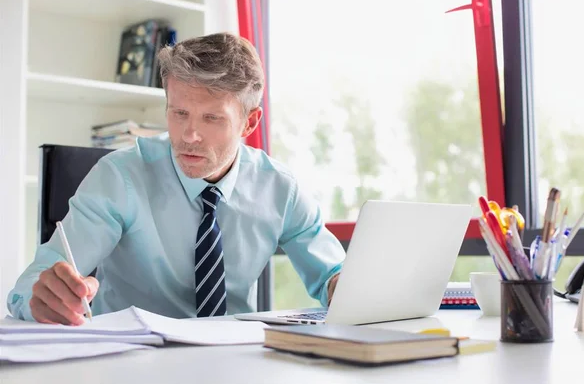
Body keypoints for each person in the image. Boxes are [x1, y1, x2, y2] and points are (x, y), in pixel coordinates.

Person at [7, 32, 345, 325]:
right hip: (132, 362)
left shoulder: (279, 189)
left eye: (212, 118)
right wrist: (43, 300)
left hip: (237, 361)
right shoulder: (119, 177)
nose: (190, 135)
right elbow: (28, 289)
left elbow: (335, 276)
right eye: (178, 113)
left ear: (249, 123)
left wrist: (345, 288)